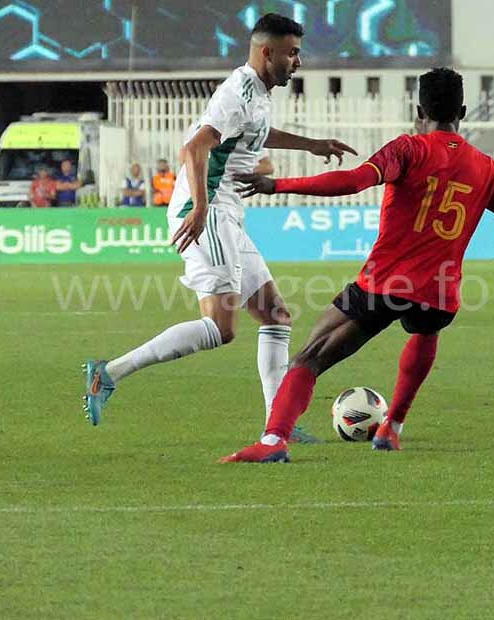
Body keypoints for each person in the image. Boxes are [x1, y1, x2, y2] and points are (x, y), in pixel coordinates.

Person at [220, 68, 494, 463]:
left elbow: (352, 181)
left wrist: (278, 185)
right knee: (426, 332)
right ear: (462, 112)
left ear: (419, 112)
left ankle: (274, 441)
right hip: (440, 293)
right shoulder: (487, 169)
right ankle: (392, 427)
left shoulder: (408, 149)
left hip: (384, 284)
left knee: (308, 358)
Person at [81, 13, 356, 443]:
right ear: (267, 52)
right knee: (221, 328)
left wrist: (312, 145)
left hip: (224, 212)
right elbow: (194, 148)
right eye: (292, 53)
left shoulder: (257, 93)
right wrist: (201, 208)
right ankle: (110, 373)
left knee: (276, 316)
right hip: (207, 210)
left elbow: (256, 134)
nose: (298, 61)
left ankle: (278, 423)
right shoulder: (236, 93)